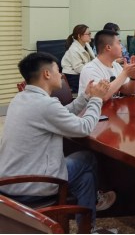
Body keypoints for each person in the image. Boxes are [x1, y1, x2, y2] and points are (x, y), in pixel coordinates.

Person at [0, 52, 117, 233]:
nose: (61, 75)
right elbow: (85, 127)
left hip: (9, 182)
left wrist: (85, 97)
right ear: (47, 74)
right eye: (58, 70)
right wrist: (96, 99)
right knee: (88, 158)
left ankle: (88, 228)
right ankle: (95, 203)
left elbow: (59, 114)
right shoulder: (44, 105)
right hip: (32, 185)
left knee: (85, 178)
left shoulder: (21, 98)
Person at [79, 30, 135, 99]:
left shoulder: (116, 66)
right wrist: (125, 73)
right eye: (119, 43)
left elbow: (129, 91)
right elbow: (100, 97)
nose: (121, 47)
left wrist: (134, 76)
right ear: (108, 47)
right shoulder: (90, 69)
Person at [61, 24, 96, 92]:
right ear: (79, 36)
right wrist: (93, 69)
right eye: (88, 34)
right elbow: (79, 69)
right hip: (73, 76)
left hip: (82, 73)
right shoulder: (74, 50)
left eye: (90, 33)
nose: (90, 36)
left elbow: (93, 59)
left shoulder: (86, 44)